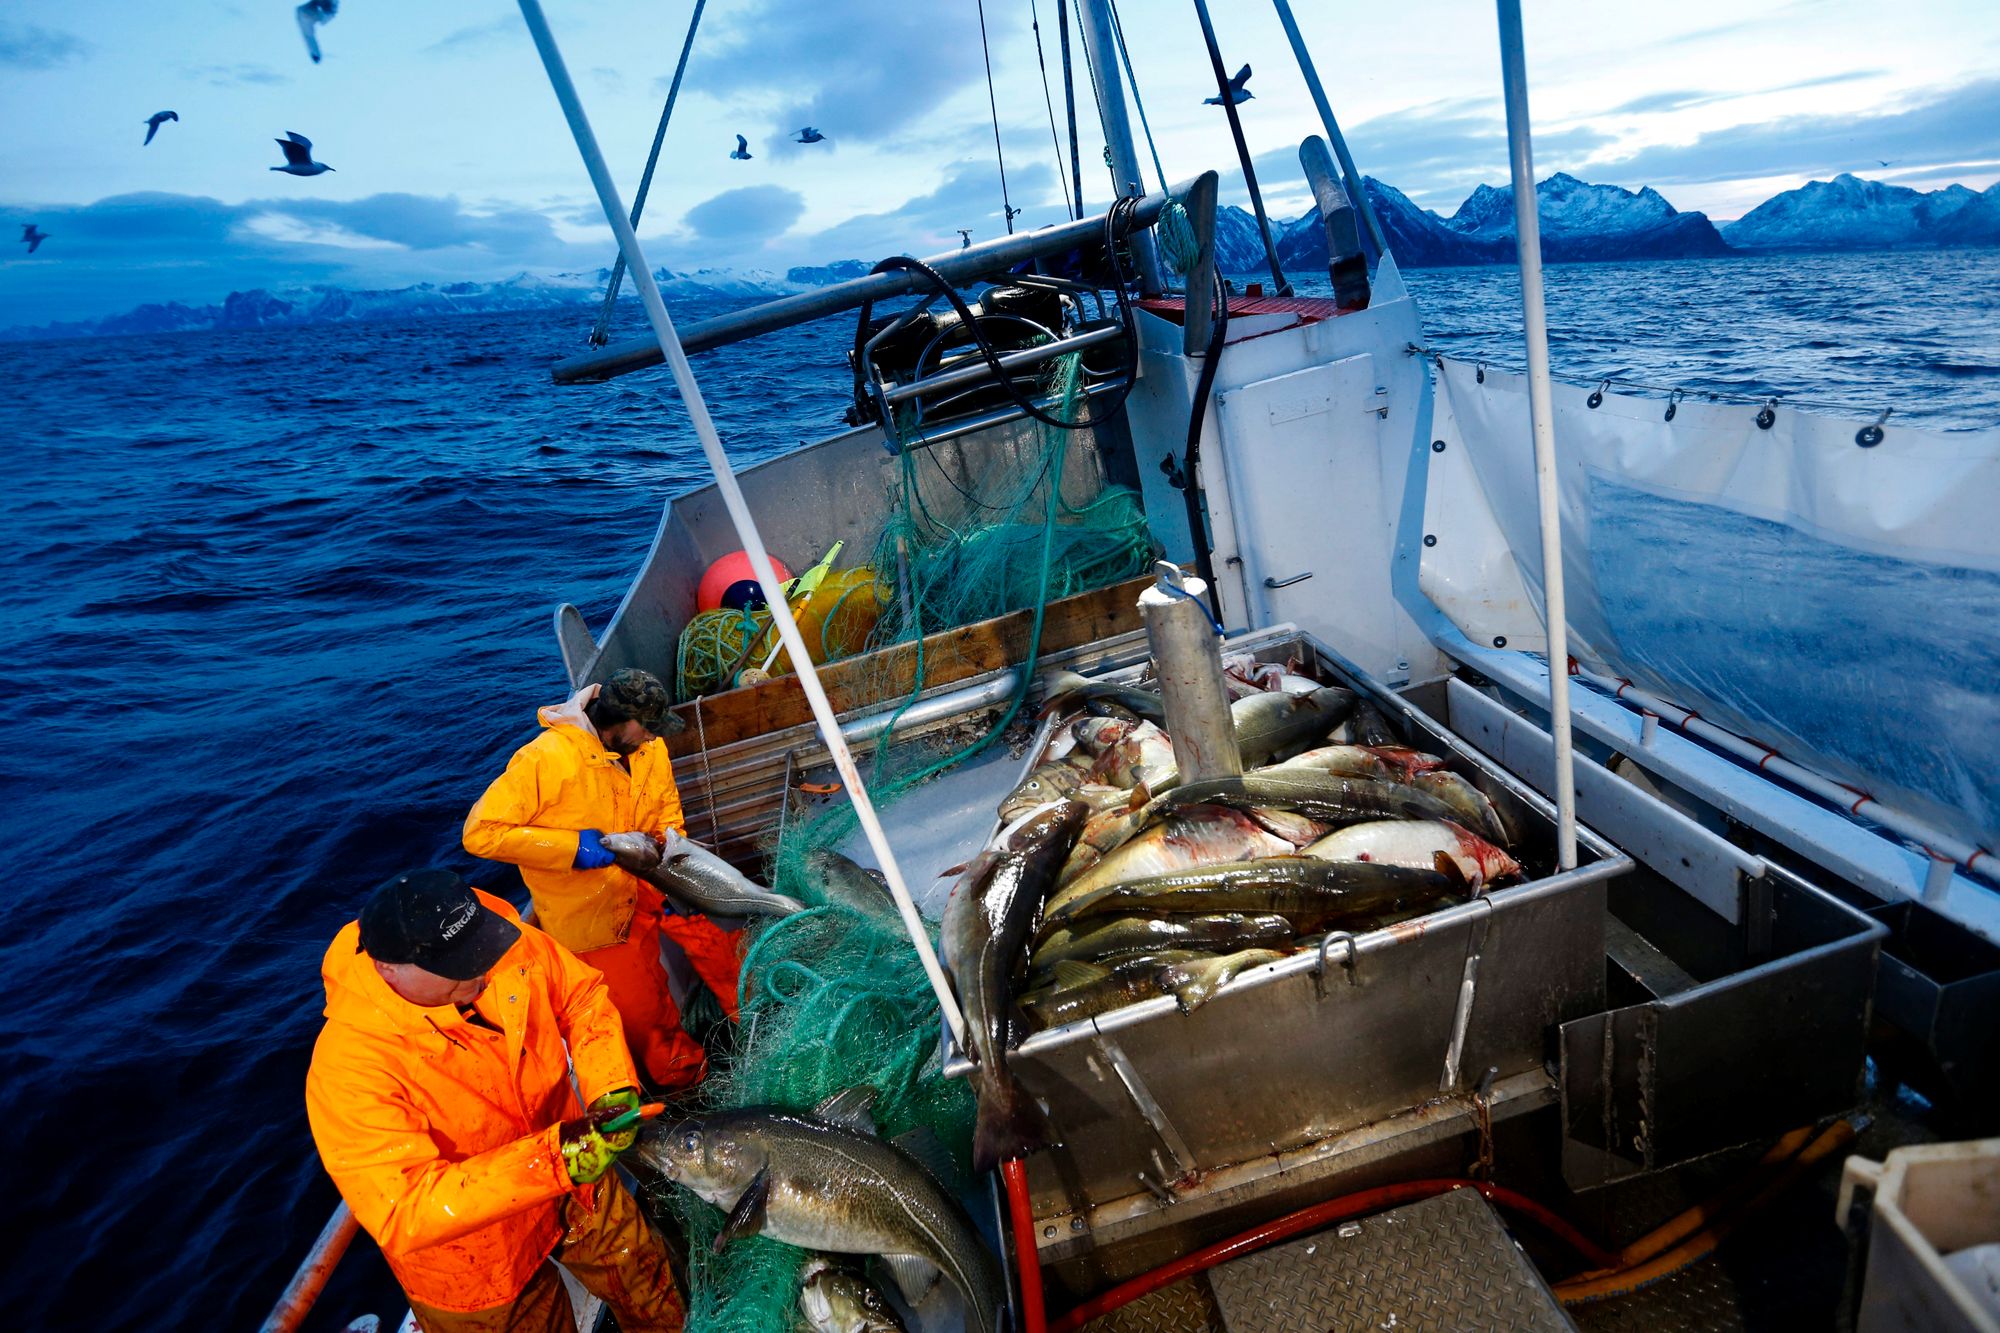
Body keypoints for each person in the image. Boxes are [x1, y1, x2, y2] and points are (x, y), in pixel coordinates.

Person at [306, 869, 684, 1333]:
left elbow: (581, 997)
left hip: (578, 1179)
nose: (482, 969)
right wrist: (554, 1160)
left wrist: (611, 1088)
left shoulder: (493, 937)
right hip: (479, 1260)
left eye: (481, 948)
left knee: (651, 1287)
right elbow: (405, 1206)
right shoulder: (348, 1068)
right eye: (458, 963)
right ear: (389, 969)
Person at [462, 668, 741, 1091]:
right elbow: (480, 833)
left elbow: (667, 808)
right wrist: (573, 848)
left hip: (655, 877)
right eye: (648, 728)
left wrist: (675, 863)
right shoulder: (545, 758)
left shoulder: (649, 748)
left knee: (720, 938)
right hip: (594, 912)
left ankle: (754, 1015)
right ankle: (689, 1082)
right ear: (620, 722)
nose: (654, 737)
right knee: (645, 1014)